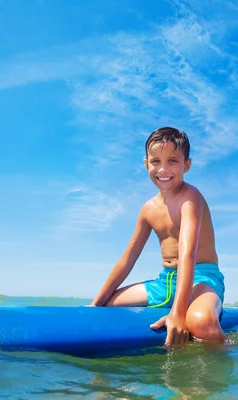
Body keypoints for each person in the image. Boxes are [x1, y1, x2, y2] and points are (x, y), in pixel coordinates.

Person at [91, 127, 226, 346]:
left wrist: (178, 314)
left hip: (201, 278)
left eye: (172, 161)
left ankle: (233, 350)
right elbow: (127, 260)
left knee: (201, 324)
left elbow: (187, 253)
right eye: (156, 161)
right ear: (146, 164)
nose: (163, 169)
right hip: (165, 282)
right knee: (108, 304)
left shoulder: (190, 197)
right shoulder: (148, 209)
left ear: (187, 165)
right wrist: (95, 305)